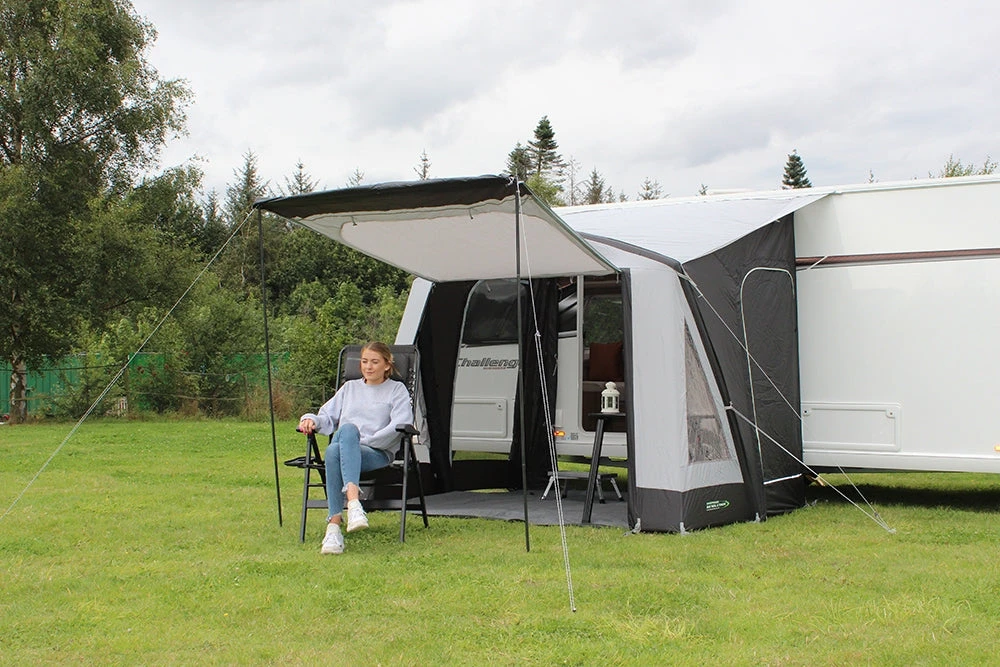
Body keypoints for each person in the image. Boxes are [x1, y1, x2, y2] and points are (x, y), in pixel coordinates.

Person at [298, 342, 412, 555]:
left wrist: (363, 442)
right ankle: (352, 506)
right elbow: (326, 416)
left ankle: (334, 527)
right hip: (346, 450)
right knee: (343, 438)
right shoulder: (350, 388)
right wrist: (310, 419)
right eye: (364, 361)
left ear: (387, 365)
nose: (368, 366)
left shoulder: (396, 390)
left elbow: (400, 424)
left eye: (375, 362)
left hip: (376, 452)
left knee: (338, 446)